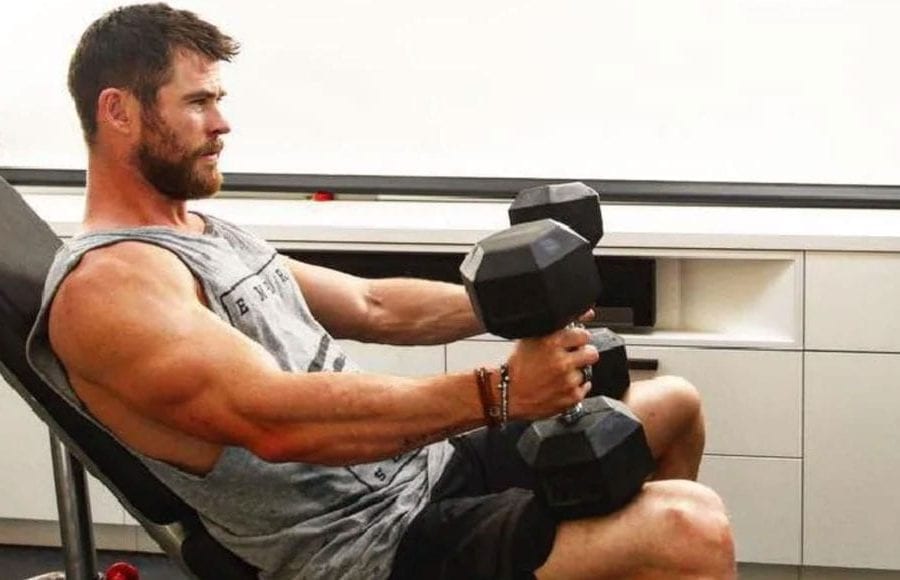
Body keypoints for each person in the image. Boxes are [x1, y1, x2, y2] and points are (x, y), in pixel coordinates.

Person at [27, 4, 734, 579]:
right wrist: (500, 392)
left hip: (422, 472)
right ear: (119, 112)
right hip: (364, 542)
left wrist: (522, 300)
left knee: (674, 404)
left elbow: (372, 305)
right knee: (689, 526)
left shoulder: (201, 232)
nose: (222, 123)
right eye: (198, 102)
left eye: (219, 100)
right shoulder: (109, 289)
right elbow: (276, 423)